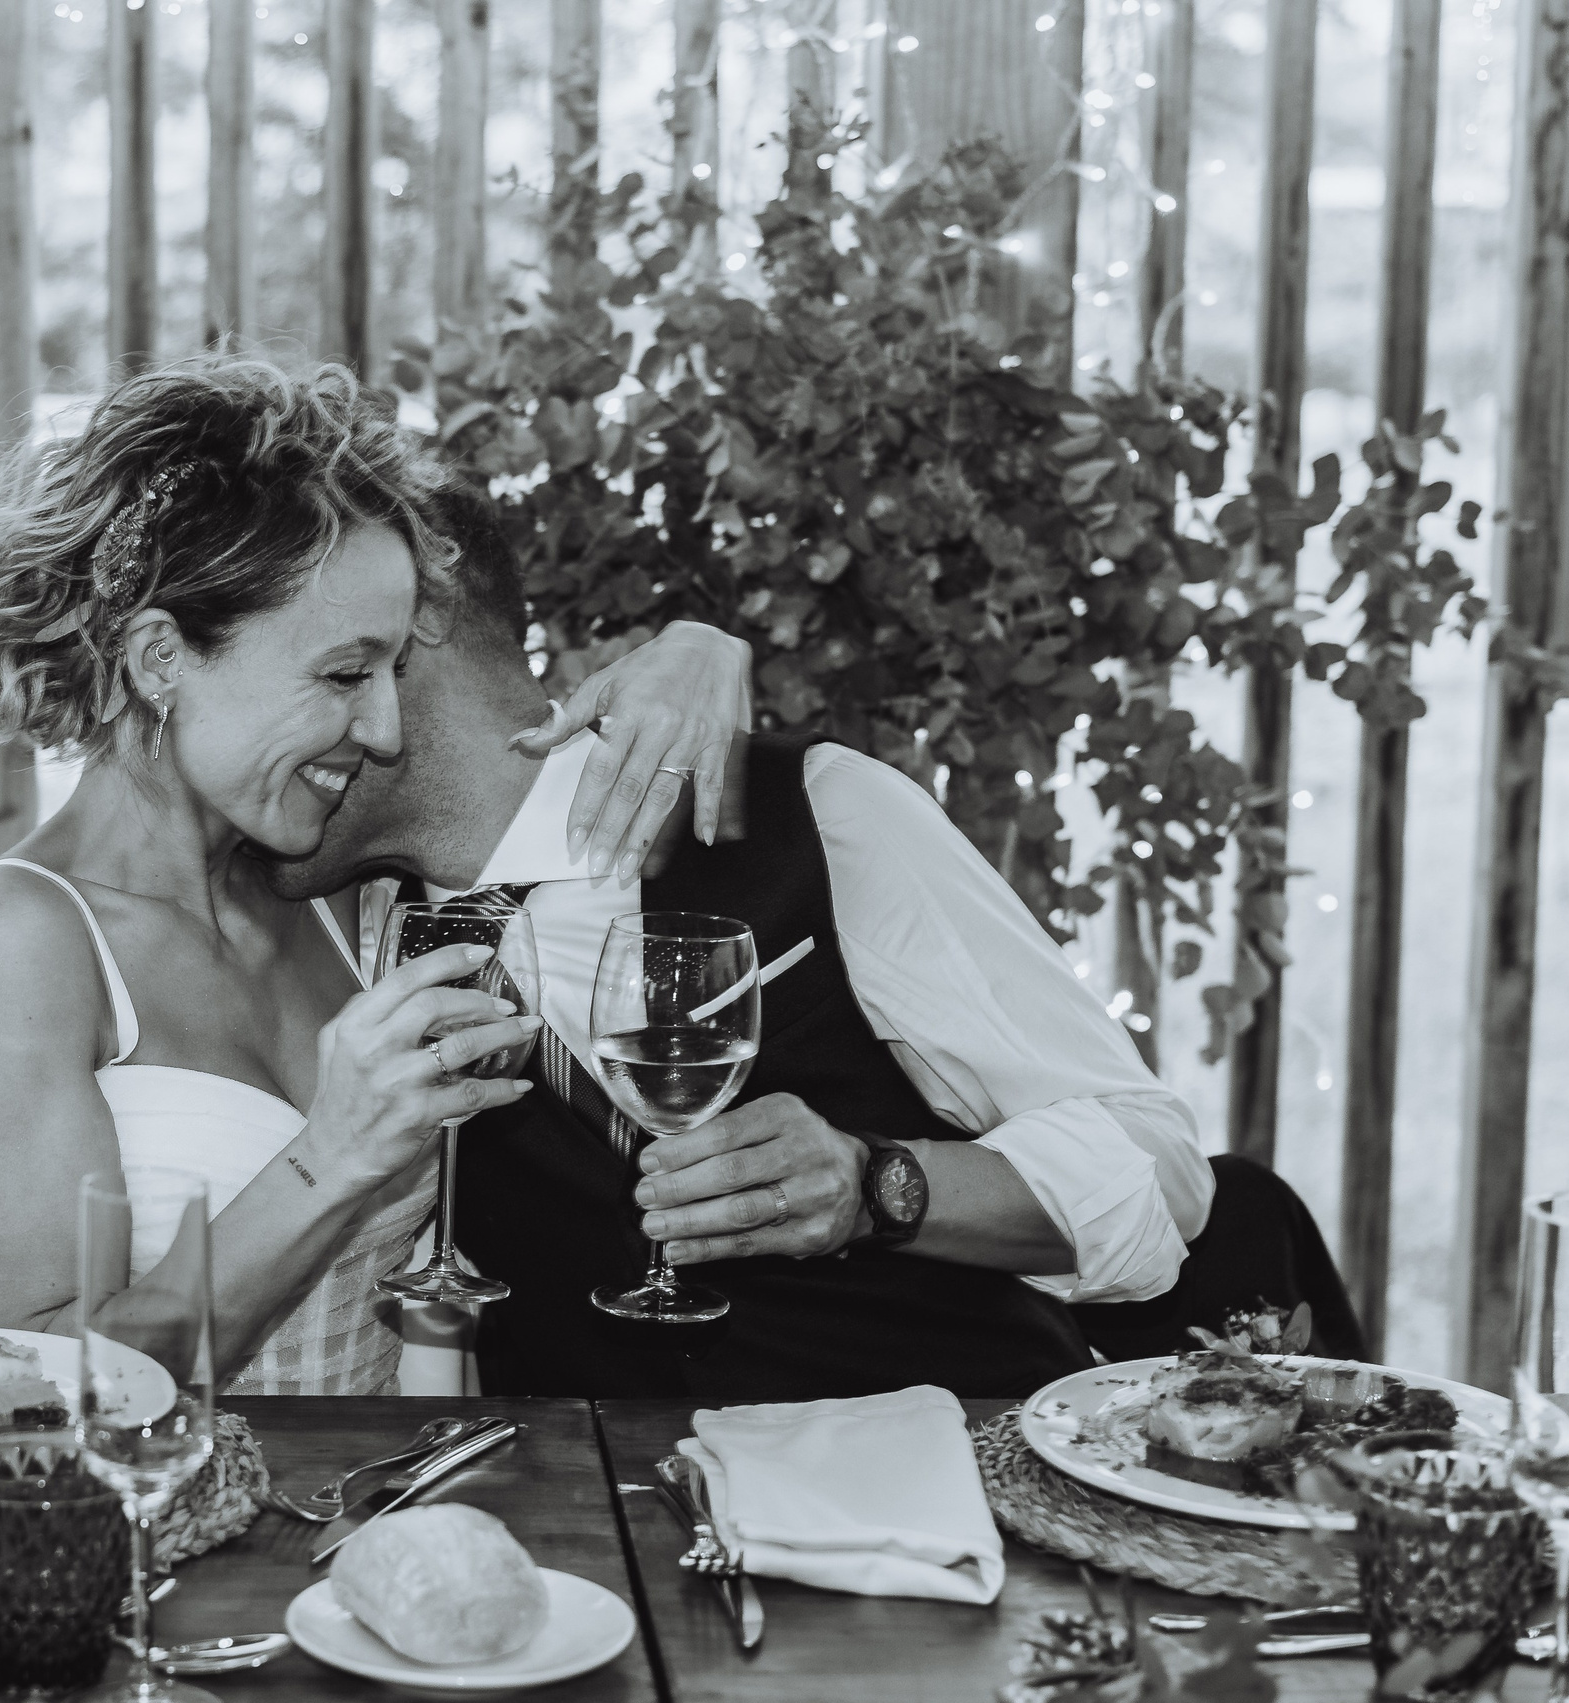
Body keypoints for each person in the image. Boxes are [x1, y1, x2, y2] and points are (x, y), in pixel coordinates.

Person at [0, 356, 749, 1394]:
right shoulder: (22, 942)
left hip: (382, 1485)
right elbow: (36, 1394)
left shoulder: (343, 896)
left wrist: (701, 648)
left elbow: (510, 757)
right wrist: (332, 1158)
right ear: (161, 658)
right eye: (346, 673)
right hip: (157, 1497)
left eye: (394, 672)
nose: (385, 730)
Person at [264, 488, 1217, 1401]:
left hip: (955, 1464)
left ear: (414, 614)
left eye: (297, 661)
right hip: (603, 1499)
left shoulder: (820, 812)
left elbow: (1160, 1163)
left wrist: (878, 1186)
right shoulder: (343, 925)